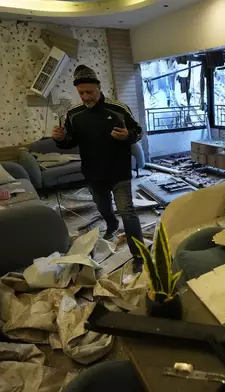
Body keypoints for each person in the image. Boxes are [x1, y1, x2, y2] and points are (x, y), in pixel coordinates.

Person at [53, 64, 144, 271]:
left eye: (90, 92)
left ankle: (139, 255)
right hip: (94, 173)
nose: (86, 97)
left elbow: (138, 132)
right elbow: (70, 141)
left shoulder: (118, 108)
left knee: (128, 212)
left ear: (99, 87)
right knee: (103, 207)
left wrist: (127, 136)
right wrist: (60, 139)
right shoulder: (74, 114)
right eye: (81, 93)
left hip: (119, 172)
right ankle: (111, 224)